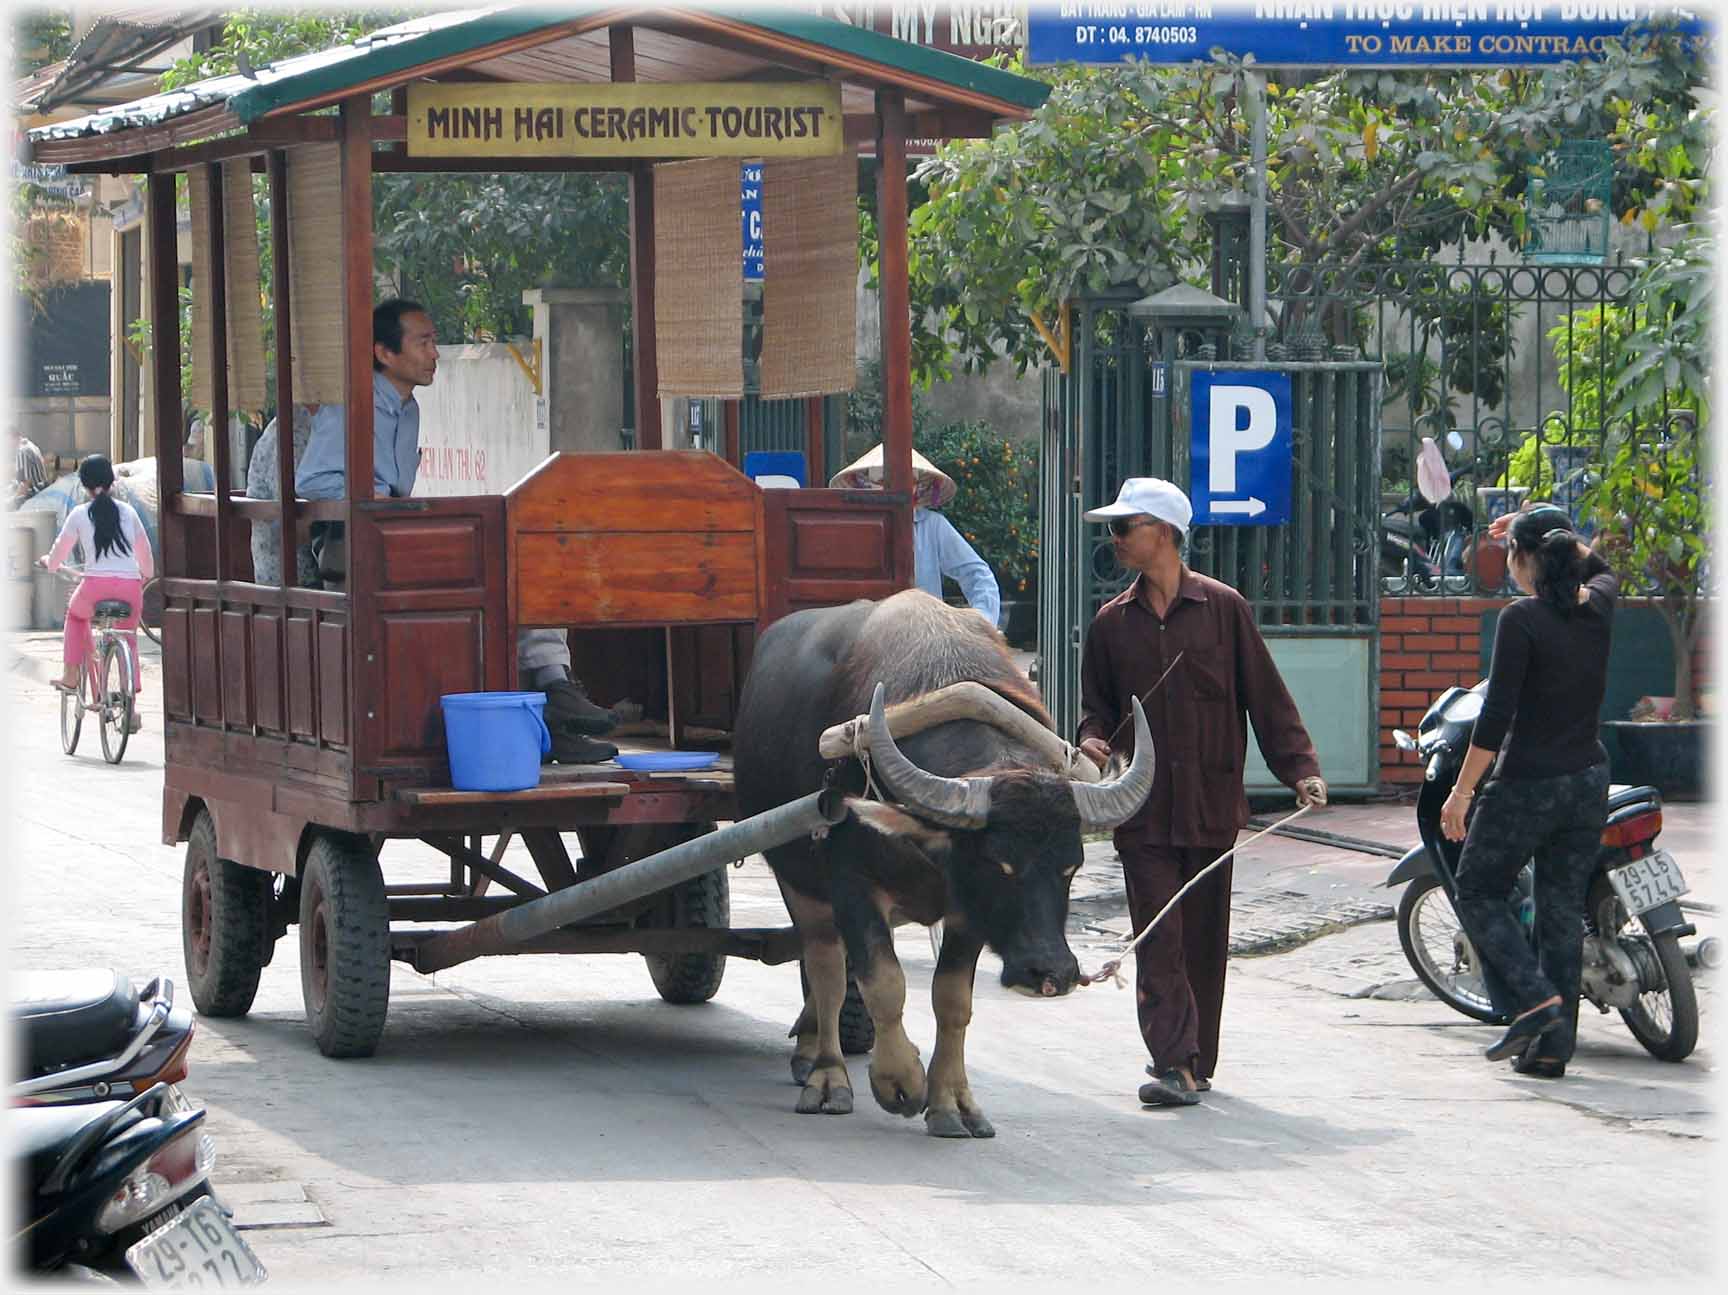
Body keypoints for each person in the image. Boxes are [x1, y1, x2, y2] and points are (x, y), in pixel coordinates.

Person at [1076, 477, 1328, 1108]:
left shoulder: (1225, 609)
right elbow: (1095, 709)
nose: (1115, 540)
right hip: (1141, 810)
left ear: (1163, 532)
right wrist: (1092, 739)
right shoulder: (1111, 624)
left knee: (1204, 940)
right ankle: (1174, 1062)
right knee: (1158, 933)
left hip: (1212, 804)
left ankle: (1197, 1059)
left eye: (1124, 527)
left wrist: (1300, 767)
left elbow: (1266, 698)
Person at [294, 298, 618, 762]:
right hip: (352, 548)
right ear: (384, 353)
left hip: (397, 542)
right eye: (423, 342)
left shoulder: (409, 411)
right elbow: (313, 482)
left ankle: (553, 694)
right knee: (490, 573)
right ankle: (546, 713)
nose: (435, 353)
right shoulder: (353, 407)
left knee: (524, 564)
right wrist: (376, 503)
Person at [1441, 503, 1618, 1078]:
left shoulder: (1522, 619)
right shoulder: (1601, 604)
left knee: (1477, 890)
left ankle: (1532, 998)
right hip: (1588, 779)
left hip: (1528, 784)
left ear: (1523, 559)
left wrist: (1462, 793)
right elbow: (1598, 563)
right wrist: (1539, 526)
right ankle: (1551, 1049)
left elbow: (1495, 719)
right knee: (1561, 908)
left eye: (1513, 555)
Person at [37, 455, 153, 732]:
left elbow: (57, 555)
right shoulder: (130, 512)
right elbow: (146, 558)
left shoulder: (79, 514)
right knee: (128, 637)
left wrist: (49, 564)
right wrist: (143, 575)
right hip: (130, 590)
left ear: (84, 486)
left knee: (76, 617)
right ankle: (129, 706)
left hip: (94, 588)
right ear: (112, 482)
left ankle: (71, 675)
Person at [828, 444, 1001, 626]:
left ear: (917, 488)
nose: (895, 489)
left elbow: (977, 575)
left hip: (923, 635)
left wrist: (983, 622)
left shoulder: (933, 525)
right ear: (864, 485)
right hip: (862, 634)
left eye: (907, 481)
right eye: (884, 481)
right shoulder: (849, 528)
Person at [246, 404, 320, 587]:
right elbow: (295, 524)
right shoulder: (295, 430)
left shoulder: (306, 424)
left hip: (302, 573)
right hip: (291, 579)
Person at [13, 425, 49, 504]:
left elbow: (25, 483)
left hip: (34, 497)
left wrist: (11, 501)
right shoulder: (31, 445)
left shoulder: (22, 451)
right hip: (43, 491)